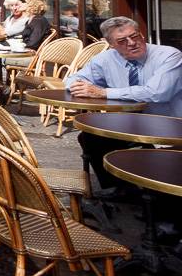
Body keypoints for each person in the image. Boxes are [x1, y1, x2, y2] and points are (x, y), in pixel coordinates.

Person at [66, 16, 182, 192]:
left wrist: (103, 92)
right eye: (122, 41)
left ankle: (157, 196)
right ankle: (121, 190)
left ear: (141, 35)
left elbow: (156, 93)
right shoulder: (105, 59)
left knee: (156, 155)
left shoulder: (169, 55)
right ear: (111, 44)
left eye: (135, 36)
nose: (132, 43)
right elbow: (72, 80)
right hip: (131, 124)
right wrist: (80, 86)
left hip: (169, 125)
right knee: (90, 138)